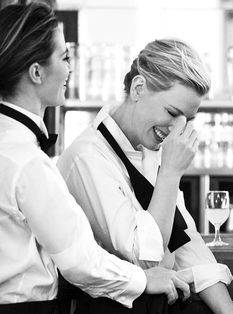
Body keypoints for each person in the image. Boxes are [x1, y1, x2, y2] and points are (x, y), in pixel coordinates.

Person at [0, 4, 194, 314]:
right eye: (64, 57)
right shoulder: (28, 161)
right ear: (36, 72)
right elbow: (79, 260)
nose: (71, 68)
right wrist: (143, 280)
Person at [58, 38, 233, 314]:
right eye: (172, 112)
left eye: (187, 120)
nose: (178, 129)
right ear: (138, 88)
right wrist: (171, 174)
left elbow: (188, 247)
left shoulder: (151, 149)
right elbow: (146, 264)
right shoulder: (88, 158)